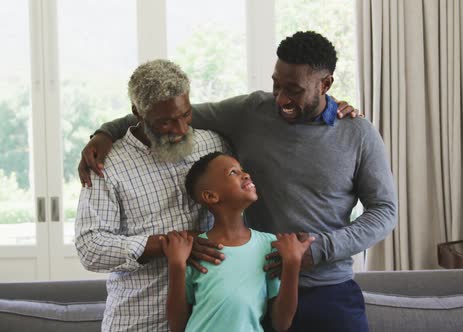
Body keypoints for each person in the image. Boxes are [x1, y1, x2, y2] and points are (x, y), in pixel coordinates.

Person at [80, 30, 397, 331]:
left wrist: (321, 249)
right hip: (255, 287)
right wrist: (106, 132)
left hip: (328, 289)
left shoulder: (358, 132)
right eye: (276, 85)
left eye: (294, 90)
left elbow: (384, 211)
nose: (281, 98)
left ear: (325, 84)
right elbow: (166, 111)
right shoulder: (250, 111)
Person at [75, 59, 230, 331]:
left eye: (186, 115)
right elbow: (90, 248)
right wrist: (166, 245)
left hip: (207, 319)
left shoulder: (213, 143)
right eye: (166, 122)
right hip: (139, 320)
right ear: (138, 113)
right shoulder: (106, 164)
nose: (181, 129)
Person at [161, 152, 313, 332]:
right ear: (211, 196)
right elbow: (177, 327)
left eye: (242, 170)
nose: (246, 174)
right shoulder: (192, 250)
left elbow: (282, 324)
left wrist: (292, 263)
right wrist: (176, 264)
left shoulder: (270, 246)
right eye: (233, 172)